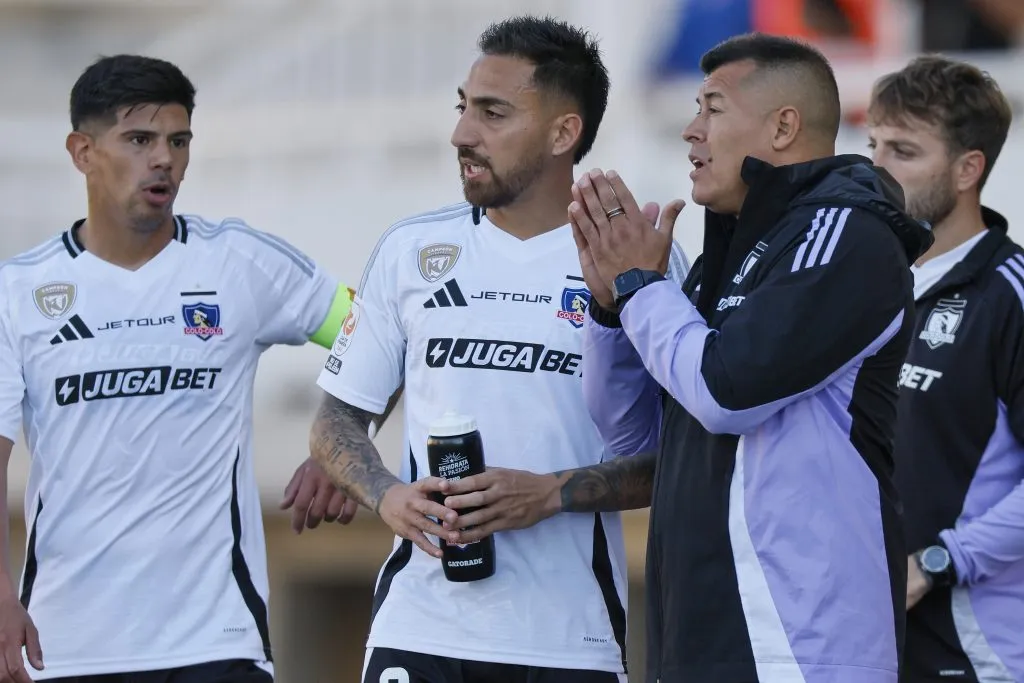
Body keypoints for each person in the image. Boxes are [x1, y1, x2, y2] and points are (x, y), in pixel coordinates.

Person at [308, 15, 688, 683]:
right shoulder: (411, 251)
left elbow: (682, 460)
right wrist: (387, 495)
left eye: (492, 113)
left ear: (563, 133)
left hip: (568, 644)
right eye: (463, 108)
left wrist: (550, 494)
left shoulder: (635, 260)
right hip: (417, 631)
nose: (462, 133)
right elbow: (335, 421)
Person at [571, 33, 934, 683]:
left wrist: (641, 288)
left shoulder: (845, 233)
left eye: (712, 108)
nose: (691, 130)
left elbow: (726, 393)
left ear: (783, 127)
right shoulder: (722, 258)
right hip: (697, 638)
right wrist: (609, 309)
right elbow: (633, 435)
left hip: (803, 647)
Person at [0, 54, 355, 683]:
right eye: (140, 140)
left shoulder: (239, 262)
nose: (164, 159)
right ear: (83, 152)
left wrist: (342, 440)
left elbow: (380, 335)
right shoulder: (19, 292)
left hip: (216, 645)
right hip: (64, 647)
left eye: (179, 141)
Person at [867, 55, 1023, 682]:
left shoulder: (1009, 296)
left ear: (968, 169)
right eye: (873, 145)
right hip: (862, 644)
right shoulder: (863, 288)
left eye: (903, 151)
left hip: (976, 652)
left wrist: (939, 561)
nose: (876, 169)